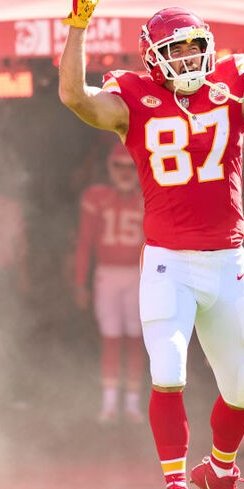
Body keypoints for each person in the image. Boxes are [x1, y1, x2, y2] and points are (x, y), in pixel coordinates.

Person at [57, 0, 244, 489]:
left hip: (226, 260)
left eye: (193, 45)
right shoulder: (133, 99)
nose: (187, 56)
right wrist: (76, 29)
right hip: (168, 262)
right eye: (174, 49)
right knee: (168, 371)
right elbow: (75, 98)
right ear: (153, 57)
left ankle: (219, 472)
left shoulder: (233, 88)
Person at [73, 142, 146, 425]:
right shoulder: (96, 197)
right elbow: (84, 242)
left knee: (136, 339)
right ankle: (109, 403)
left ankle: (131, 404)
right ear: (109, 167)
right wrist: (80, 283)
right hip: (107, 274)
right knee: (111, 338)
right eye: (119, 166)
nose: (125, 173)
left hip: (137, 276)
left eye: (131, 167)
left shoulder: (146, 199)